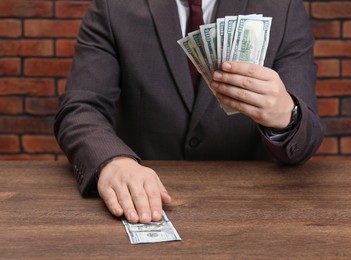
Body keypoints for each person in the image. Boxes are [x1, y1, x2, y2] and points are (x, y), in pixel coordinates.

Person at [54, 0, 323, 224]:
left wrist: (286, 117)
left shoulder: (283, 7)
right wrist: (112, 161)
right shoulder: (113, 7)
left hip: (256, 210)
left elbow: (307, 138)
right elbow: (81, 108)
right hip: (146, 204)